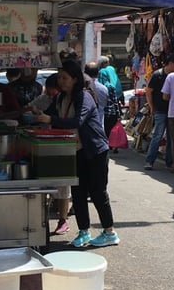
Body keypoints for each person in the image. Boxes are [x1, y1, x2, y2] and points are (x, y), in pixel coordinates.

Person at [38, 57, 118, 248]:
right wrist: (34, 114)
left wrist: (49, 119)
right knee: (78, 191)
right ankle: (83, 231)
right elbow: (50, 114)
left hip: (95, 150)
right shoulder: (60, 98)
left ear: (75, 79)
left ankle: (109, 232)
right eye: (59, 78)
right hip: (76, 150)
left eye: (64, 78)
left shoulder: (85, 96)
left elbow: (76, 122)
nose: (61, 81)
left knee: (98, 192)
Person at [31, 74, 71, 234]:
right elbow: (29, 108)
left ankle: (63, 220)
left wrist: (49, 119)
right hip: (43, 142)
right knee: (41, 182)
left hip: (61, 143)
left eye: (52, 92)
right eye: (48, 92)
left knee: (63, 183)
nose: (50, 95)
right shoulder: (44, 98)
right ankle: (40, 219)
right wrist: (34, 112)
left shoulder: (67, 100)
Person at [143, 52, 174, 170]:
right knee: (157, 135)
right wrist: (152, 107)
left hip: (172, 110)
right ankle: (149, 161)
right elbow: (148, 91)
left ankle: (169, 162)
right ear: (171, 63)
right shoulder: (158, 75)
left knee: (171, 137)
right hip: (161, 110)